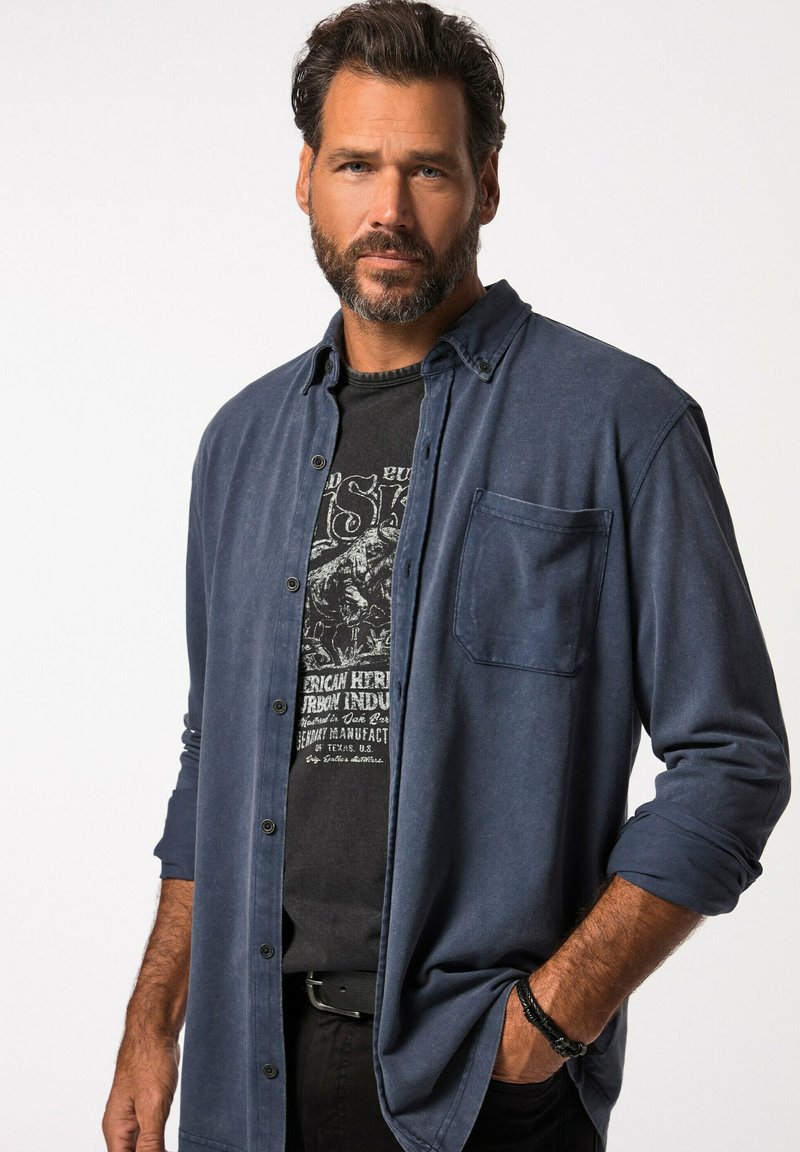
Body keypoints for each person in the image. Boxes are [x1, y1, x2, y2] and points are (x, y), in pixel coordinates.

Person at [102, 3, 790, 1150]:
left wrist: (547, 1024)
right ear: (304, 178)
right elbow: (210, 753)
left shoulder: (619, 423)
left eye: (425, 168)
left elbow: (732, 759)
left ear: (486, 183)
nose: (387, 208)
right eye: (355, 165)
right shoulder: (239, 445)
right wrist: (151, 1018)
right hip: (246, 1077)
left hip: (478, 1085)